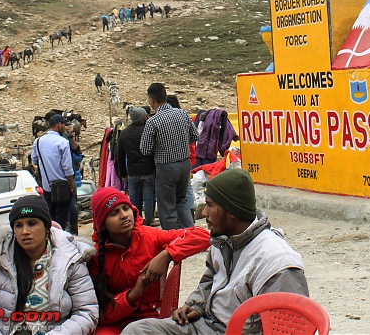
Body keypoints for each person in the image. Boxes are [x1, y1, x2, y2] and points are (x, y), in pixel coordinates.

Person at [122, 168, 308, 335]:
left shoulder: (276, 262)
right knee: (136, 331)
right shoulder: (223, 240)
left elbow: (289, 327)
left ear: (231, 211)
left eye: (210, 205)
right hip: (205, 325)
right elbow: (210, 279)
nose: (204, 213)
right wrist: (196, 305)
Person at [87, 188, 210, 334]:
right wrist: (133, 294)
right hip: (117, 320)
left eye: (125, 208)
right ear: (102, 223)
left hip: (153, 317)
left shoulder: (150, 236)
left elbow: (201, 235)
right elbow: (100, 313)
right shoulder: (95, 257)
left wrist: (166, 255)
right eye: (114, 213)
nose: (124, 215)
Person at [0, 195, 98, 334]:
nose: (25, 231)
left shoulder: (70, 260)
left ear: (46, 227)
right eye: (18, 225)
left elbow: (86, 312)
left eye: (32, 223)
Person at [141, 83, 198, 230]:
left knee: (167, 206)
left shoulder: (153, 121)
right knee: (182, 200)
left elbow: (145, 149)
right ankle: (190, 233)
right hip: (184, 163)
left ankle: (172, 238)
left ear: (152, 100)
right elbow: (194, 136)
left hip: (166, 166)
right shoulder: (183, 114)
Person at [31, 113, 75, 230]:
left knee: (49, 217)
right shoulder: (62, 142)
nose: (64, 127)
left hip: (47, 187)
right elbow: (67, 168)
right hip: (62, 187)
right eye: (63, 124)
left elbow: (34, 160)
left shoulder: (38, 141)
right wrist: (71, 185)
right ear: (58, 125)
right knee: (61, 219)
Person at [117, 107, 156, 225]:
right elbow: (154, 150)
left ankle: (135, 220)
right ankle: (149, 221)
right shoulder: (148, 131)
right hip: (148, 170)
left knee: (134, 198)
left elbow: (120, 155)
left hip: (133, 172)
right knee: (149, 196)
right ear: (142, 117)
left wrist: (123, 173)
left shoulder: (124, 134)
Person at [64, 123, 85, 235]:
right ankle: (72, 232)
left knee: (71, 209)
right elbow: (78, 157)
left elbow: (77, 154)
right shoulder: (63, 142)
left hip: (71, 180)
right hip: (69, 181)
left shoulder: (67, 140)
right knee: (72, 209)